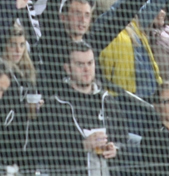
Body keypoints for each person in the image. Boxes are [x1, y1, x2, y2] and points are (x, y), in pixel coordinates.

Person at [39, 41, 123, 175]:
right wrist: (82, 147)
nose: (86, 69)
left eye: (90, 63)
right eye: (80, 64)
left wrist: (115, 149)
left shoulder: (107, 101)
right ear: (67, 68)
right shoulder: (54, 106)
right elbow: (45, 152)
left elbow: (123, 139)